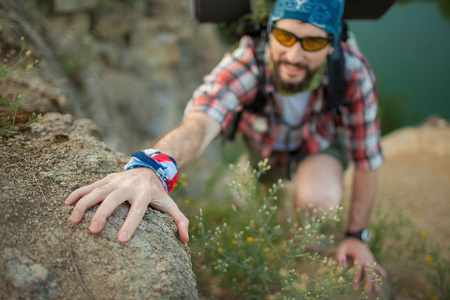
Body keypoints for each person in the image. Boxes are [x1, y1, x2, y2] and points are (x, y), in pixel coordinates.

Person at [65, 0, 387, 292]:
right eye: (285, 37)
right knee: (272, 205)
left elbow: (366, 156)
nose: (294, 56)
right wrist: (151, 168)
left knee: (319, 201)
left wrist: (356, 236)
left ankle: (305, 251)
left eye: (313, 42)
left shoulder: (352, 72)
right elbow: (202, 121)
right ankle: (284, 238)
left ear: (333, 44)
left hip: (318, 144)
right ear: (270, 31)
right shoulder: (247, 60)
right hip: (265, 148)